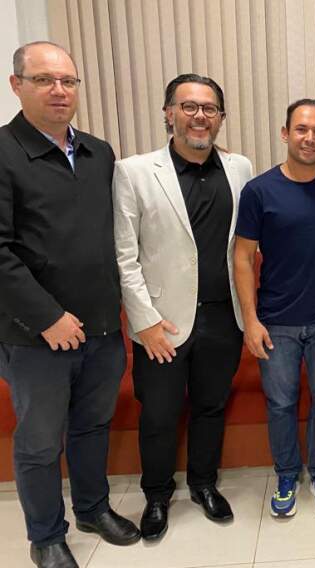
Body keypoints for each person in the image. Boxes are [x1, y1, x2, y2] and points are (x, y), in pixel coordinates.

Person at [0, 41, 140, 568]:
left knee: (91, 426)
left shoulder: (99, 153)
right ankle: (46, 534)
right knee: (38, 440)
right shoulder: (3, 152)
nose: (59, 90)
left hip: (102, 327)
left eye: (68, 81)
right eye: (44, 80)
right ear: (17, 85)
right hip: (35, 335)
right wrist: (47, 318)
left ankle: (92, 508)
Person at [113, 74, 253, 540]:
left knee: (211, 407)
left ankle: (203, 485)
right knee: (159, 413)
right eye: (189, 106)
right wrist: (145, 322)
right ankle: (156, 495)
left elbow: (245, 247)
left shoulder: (239, 168)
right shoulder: (134, 171)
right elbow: (124, 255)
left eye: (209, 108)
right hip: (162, 322)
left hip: (222, 316)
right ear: (168, 113)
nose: (199, 116)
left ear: (220, 118)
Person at [233, 99, 315, 518]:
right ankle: (286, 473)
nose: (309, 138)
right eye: (301, 129)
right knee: (280, 404)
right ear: (285, 133)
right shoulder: (259, 191)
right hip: (276, 321)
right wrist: (250, 320)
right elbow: (243, 257)